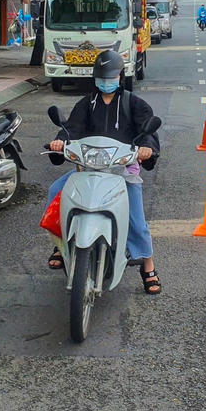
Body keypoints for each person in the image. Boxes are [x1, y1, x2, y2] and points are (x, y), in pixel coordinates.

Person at [46, 50, 163, 293]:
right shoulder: (86, 104)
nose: (106, 82)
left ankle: (148, 266)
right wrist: (60, 142)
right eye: (101, 78)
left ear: (120, 77)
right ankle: (61, 245)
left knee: (136, 219)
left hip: (122, 171)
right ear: (95, 78)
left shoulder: (133, 103)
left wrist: (147, 149)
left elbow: (148, 131)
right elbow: (71, 129)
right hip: (87, 168)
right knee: (56, 191)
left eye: (111, 77)